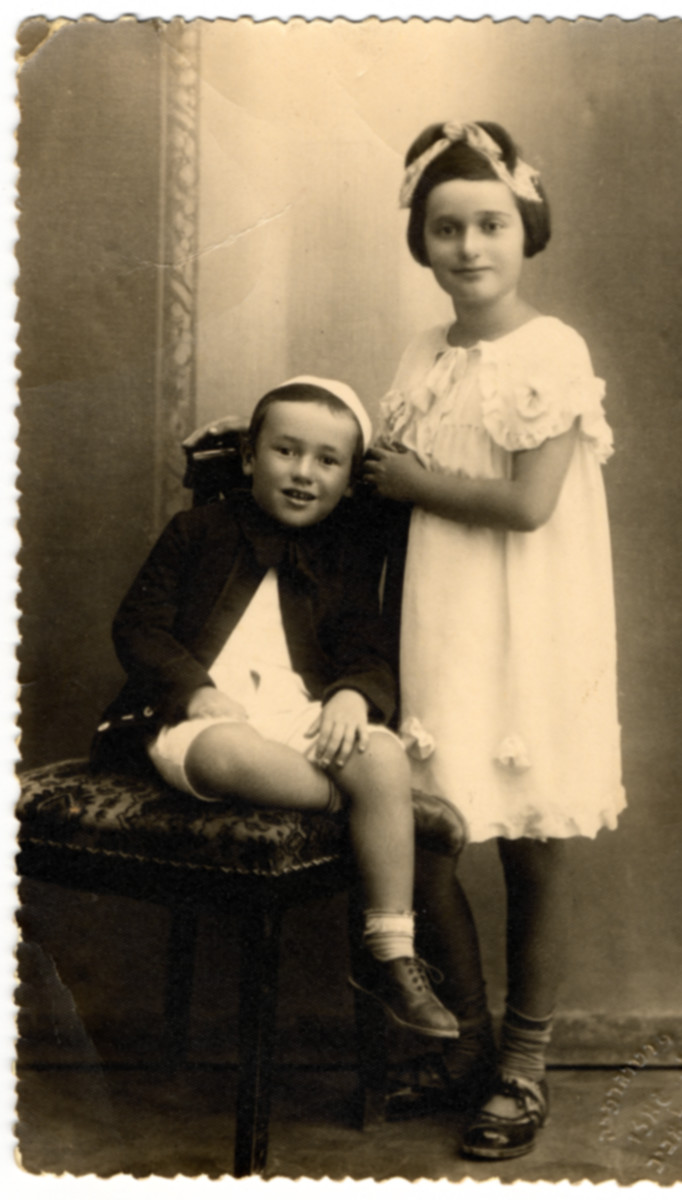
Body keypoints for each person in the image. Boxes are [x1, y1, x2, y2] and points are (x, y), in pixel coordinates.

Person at [357, 119, 627, 1160]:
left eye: (489, 225)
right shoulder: (422, 353)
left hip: (535, 618)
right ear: (421, 243)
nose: (468, 247)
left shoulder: (552, 349)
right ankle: (465, 1042)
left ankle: (523, 1062)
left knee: (533, 845)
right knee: (433, 835)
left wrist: (410, 480)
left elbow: (527, 504)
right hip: (443, 617)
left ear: (527, 232)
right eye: (445, 228)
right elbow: (390, 491)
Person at [91, 375, 460, 1043]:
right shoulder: (198, 530)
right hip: (196, 717)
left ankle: (392, 952)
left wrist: (351, 694)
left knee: (379, 750)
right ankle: (382, 810)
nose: (303, 473)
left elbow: (366, 649)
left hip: (296, 712)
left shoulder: (343, 554)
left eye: (327, 460)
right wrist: (193, 690)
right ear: (249, 459)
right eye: (286, 452)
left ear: (350, 479)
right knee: (237, 751)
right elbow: (138, 627)